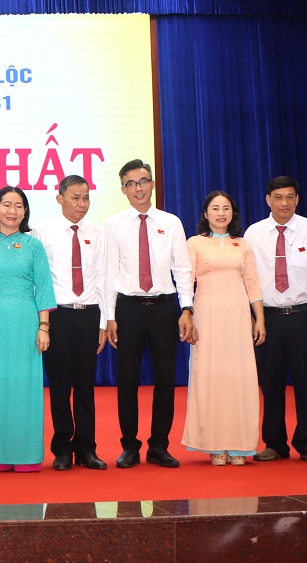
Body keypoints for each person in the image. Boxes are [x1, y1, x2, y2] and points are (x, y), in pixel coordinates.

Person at [102, 159, 194, 469]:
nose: (138, 188)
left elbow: (183, 269)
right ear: (123, 190)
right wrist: (110, 316)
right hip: (128, 309)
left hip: (164, 309)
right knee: (127, 381)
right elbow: (109, 273)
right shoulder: (114, 225)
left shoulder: (171, 222)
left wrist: (186, 308)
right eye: (131, 183)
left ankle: (159, 446)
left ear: (152, 183)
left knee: (166, 380)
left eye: (143, 181)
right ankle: (129, 446)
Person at [243, 176, 307, 465]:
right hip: (267, 318)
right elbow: (248, 278)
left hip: (304, 315)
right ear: (268, 200)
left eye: (290, 197)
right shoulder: (254, 233)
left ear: (297, 199)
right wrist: (253, 318)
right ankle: (274, 443)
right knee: (270, 384)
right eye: (278, 197)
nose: (284, 203)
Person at [181, 191, 266, 466]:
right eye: (215, 208)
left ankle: (240, 444)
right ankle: (214, 444)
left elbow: (253, 283)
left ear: (233, 213)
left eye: (226, 208)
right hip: (206, 318)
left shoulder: (243, 245)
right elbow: (186, 282)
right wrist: (187, 313)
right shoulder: (195, 243)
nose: (221, 213)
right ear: (206, 213)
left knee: (239, 378)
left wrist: (260, 319)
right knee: (209, 377)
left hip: (238, 319)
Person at [32, 175, 109, 471]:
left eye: (86, 198)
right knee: (60, 386)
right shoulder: (43, 231)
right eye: (75, 197)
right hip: (58, 314)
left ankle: (87, 449)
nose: (82, 203)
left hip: (89, 313)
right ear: (59, 198)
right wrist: (43, 323)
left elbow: (103, 278)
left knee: (86, 386)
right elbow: (38, 281)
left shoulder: (97, 232)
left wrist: (103, 322)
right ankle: (62, 449)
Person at [0, 186, 56, 472]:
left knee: (25, 387)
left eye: (19, 205)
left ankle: (26, 454)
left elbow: (43, 288)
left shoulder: (33, 245)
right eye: (7, 204)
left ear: (25, 212)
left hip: (26, 323)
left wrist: (44, 327)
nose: (13, 211)